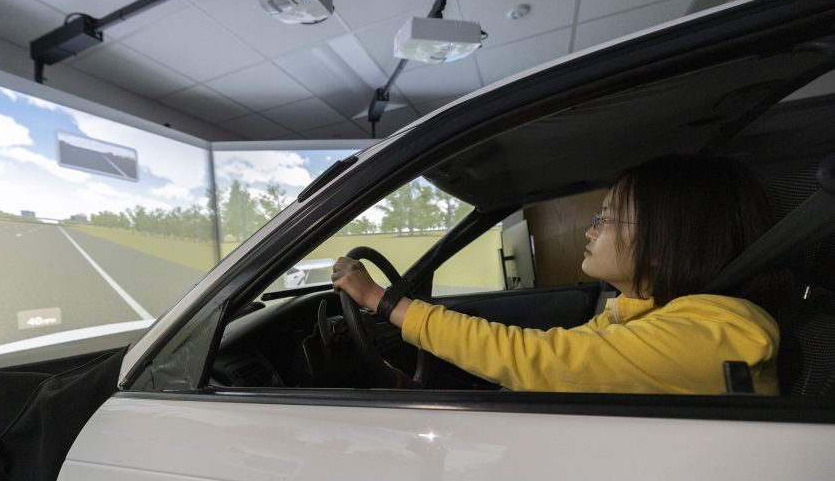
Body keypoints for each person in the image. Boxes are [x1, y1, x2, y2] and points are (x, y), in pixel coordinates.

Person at [331, 155, 781, 395]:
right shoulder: (643, 313)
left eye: (606, 219)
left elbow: (539, 360)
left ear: (667, 239)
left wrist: (381, 301)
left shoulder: (716, 334)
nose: (590, 230)